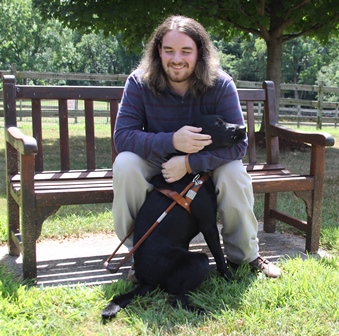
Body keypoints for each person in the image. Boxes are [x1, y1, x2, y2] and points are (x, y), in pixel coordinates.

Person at [112, 15, 281, 279]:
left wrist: (190, 163)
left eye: (185, 51)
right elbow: (122, 137)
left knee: (234, 173)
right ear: (159, 51)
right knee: (126, 164)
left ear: (199, 52)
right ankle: (141, 255)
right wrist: (172, 141)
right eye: (169, 50)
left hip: (206, 162)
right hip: (159, 158)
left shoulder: (221, 84)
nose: (176, 58)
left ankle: (244, 256)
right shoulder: (139, 82)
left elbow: (239, 145)